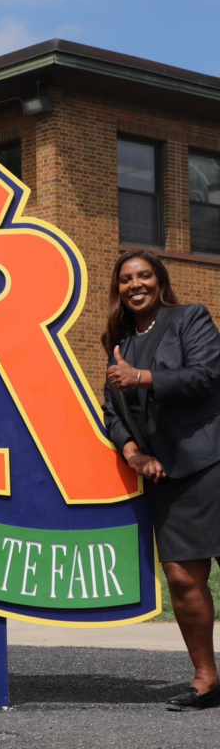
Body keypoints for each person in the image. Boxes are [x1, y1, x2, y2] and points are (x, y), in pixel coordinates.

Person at [103, 248, 220, 712]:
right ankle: (206, 678)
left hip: (210, 459)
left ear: (159, 279)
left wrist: (144, 377)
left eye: (144, 276)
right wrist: (131, 451)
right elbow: (112, 409)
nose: (136, 285)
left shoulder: (190, 319)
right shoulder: (119, 344)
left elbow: (207, 376)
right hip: (164, 473)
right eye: (126, 279)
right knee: (181, 576)